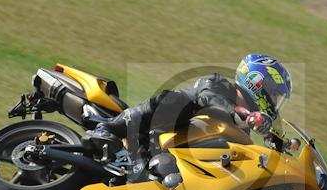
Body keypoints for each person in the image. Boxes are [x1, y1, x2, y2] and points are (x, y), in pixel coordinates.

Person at [83, 53, 293, 160]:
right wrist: (238, 112)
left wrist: (278, 145)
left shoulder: (245, 128)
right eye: (274, 94)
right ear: (257, 82)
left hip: (171, 156)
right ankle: (108, 128)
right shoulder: (218, 83)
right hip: (153, 133)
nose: (274, 103)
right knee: (176, 100)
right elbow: (208, 98)